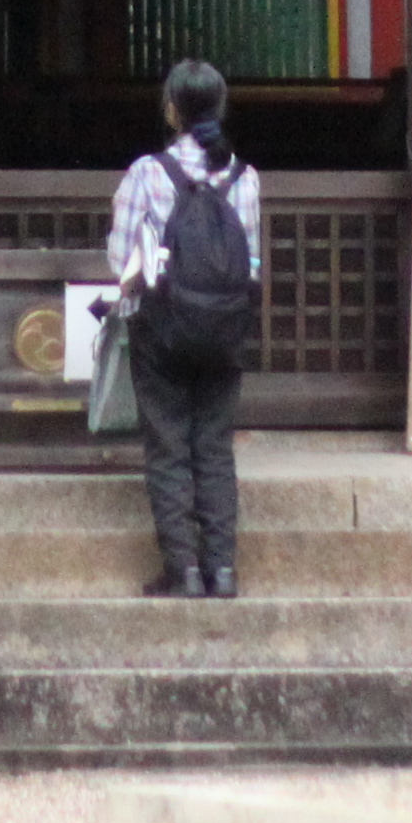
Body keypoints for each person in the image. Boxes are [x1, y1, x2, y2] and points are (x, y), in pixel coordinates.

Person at [110, 57, 265, 599]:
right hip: (225, 332)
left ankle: (183, 570)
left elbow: (122, 261)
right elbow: (251, 266)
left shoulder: (147, 174)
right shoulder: (244, 178)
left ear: (172, 110)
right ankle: (222, 570)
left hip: (163, 331)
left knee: (169, 447)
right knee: (215, 448)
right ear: (220, 108)